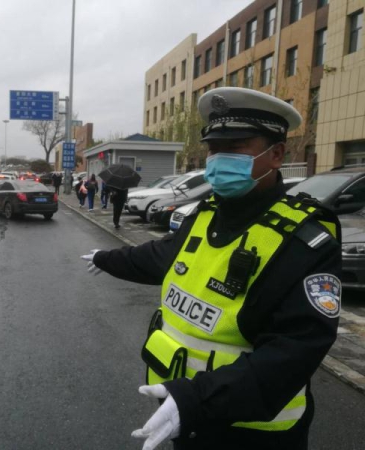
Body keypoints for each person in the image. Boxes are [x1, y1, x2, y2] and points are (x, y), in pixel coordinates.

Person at [81, 87, 342, 450]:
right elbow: (161, 256)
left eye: (235, 147)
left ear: (277, 154)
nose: (219, 159)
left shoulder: (304, 239)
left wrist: (198, 399)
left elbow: (297, 347)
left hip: (252, 433)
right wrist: (105, 258)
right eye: (214, 148)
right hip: (185, 416)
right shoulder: (205, 215)